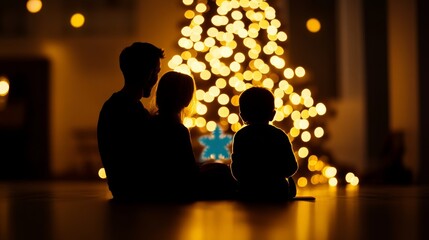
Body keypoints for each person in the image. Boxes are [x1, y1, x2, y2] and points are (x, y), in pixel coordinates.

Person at [97, 42, 164, 201]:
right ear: (148, 73)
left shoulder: (115, 105)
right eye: (156, 72)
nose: (156, 79)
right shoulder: (129, 110)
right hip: (138, 191)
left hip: (125, 189)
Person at [230, 86, 298, 201]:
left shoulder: (241, 136)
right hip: (277, 190)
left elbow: (237, 169)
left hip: (248, 190)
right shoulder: (279, 135)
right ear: (273, 114)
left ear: (242, 116)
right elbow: (291, 167)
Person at [146, 71, 200, 201]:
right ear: (186, 99)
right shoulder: (179, 130)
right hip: (174, 190)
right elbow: (189, 171)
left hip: (152, 188)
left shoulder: (149, 123)